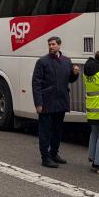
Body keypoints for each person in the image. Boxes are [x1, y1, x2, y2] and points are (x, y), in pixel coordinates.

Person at [32, 36, 79, 168]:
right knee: (45, 132)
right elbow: (36, 84)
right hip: (47, 102)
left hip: (61, 101)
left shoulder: (67, 61)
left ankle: (54, 153)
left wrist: (75, 74)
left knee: (57, 130)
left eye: (53, 44)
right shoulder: (42, 61)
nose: (51, 47)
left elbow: (70, 79)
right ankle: (45, 157)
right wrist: (38, 103)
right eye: (49, 45)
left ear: (59, 45)